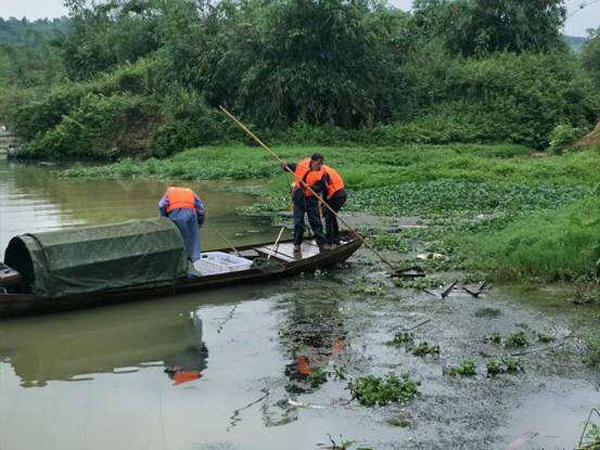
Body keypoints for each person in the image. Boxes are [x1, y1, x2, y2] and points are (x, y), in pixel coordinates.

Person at [281, 153, 328, 253]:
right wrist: (284, 165)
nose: (320, 166)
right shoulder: (302, 165)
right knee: (298, 222)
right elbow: (289, 167)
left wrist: (311, 187)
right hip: (299, 197)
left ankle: (322, 244)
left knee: (315, 222)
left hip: (312, 199)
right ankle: (297, 244)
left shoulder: (322, 172)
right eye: (318, 163)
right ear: (313, 161)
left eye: (322, 164)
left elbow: (321, 187)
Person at [159, 186, 205, 262]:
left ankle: (178, 260)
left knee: (176, 239)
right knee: (193, 239)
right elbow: (201, 209)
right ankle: (193, 261)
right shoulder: (190, 192)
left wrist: (163, 219)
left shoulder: (169, 193)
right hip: (191, 215)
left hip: (175, 216)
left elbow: (161, 205)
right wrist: (200, 222)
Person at [322, 164, 347, 246]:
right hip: (339, 194)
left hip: (338, 195)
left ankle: (329, 241)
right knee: (331, 215)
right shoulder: (325, 168)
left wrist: (324, 203)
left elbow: (325, 188)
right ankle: (336, 237)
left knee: (329, 217)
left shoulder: (323, 171)